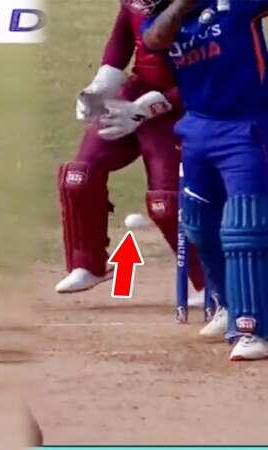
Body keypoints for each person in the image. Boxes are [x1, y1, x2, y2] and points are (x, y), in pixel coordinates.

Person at [56, 0, 209, 311]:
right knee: (78, 177)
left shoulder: (200, 7)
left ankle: (211, 283)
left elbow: (212, 75)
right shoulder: (135, 4)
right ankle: (87, 264)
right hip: (134, 96)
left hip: (181, 107)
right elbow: (119, 48)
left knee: (166, 204)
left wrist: (148, 108)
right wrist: (98, 90)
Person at [143, 0, 268, 359]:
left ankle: (252, 328)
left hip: (246, 127)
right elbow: (154, 39)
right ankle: (229, 303)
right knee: (199, 225)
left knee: (244, 228)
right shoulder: (160, 20)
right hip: (197, 129)